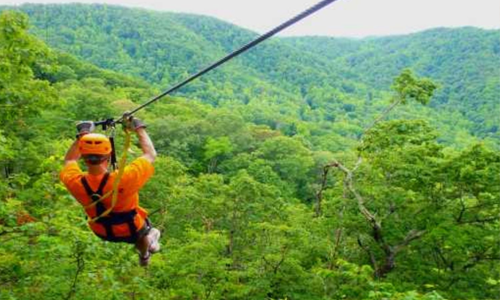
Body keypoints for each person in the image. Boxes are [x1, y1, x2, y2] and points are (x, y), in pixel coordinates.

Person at [60, 117, 160, 266]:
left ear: (84, 157)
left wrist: (83, 136)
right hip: (132, 230)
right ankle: (144, 254)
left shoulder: (74, 181)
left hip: (101, 231)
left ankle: (146, 250)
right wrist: (139, 128)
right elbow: (150, 155)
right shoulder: (125, 178)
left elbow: (69, 160)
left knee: (142, 230)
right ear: (109, 155)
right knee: (144, 232)